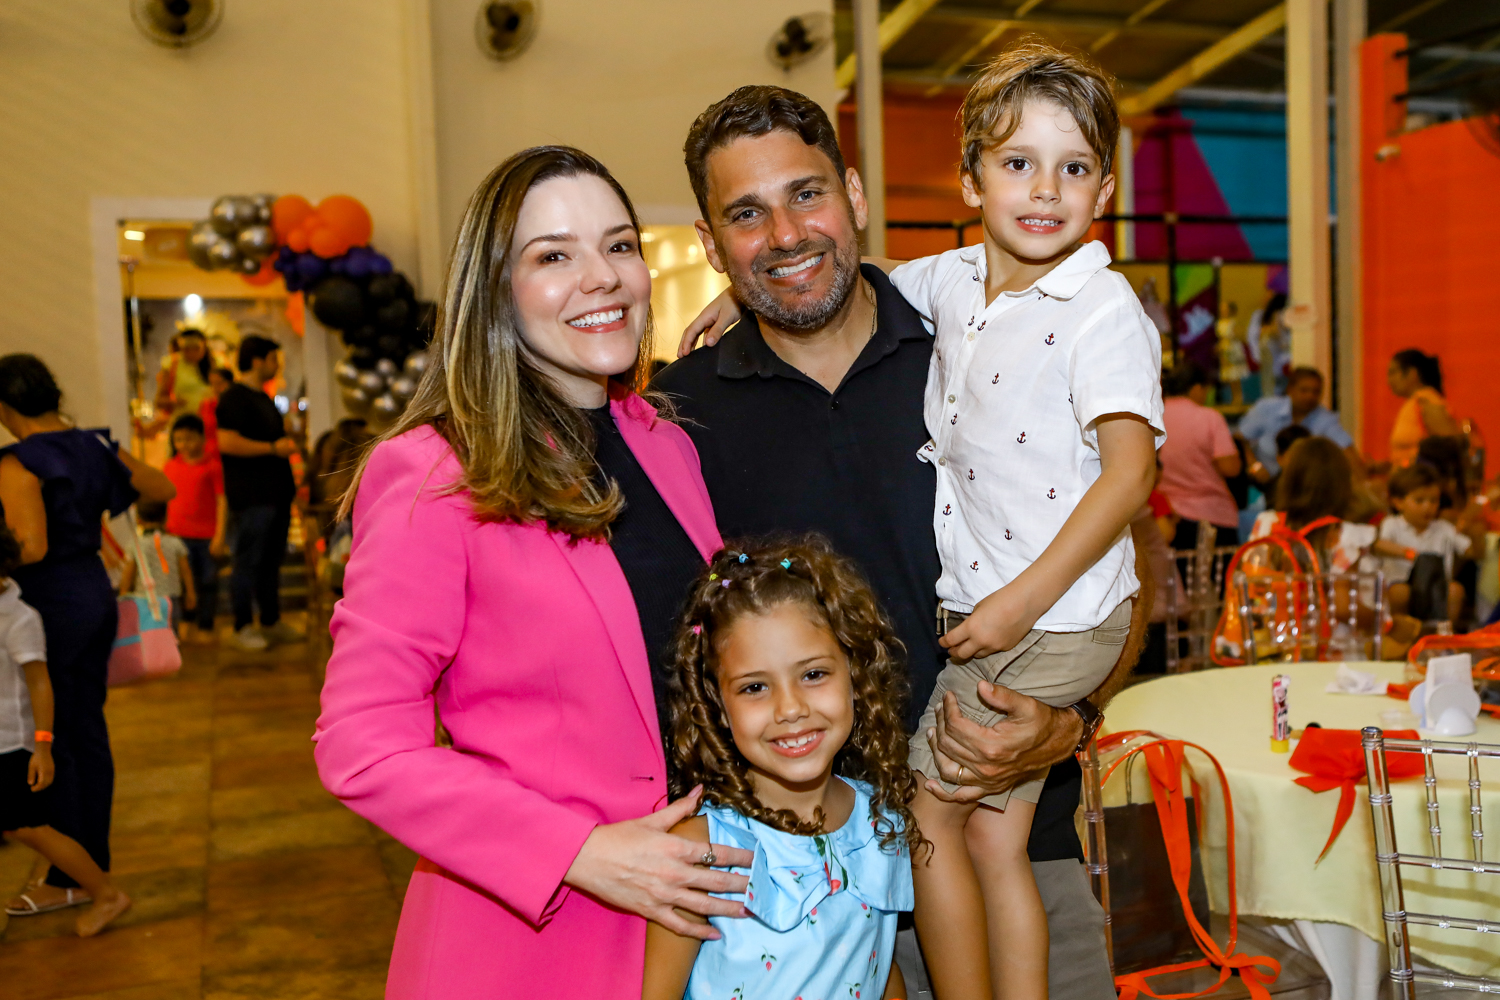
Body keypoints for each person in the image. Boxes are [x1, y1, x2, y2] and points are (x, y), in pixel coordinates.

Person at [661, 84, 1128, 1000]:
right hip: (802, 899)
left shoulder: (986, 338)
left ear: (855, 195)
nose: (786, 234)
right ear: (712, 246)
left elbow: (1116, 566)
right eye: (747, 215)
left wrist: (1071, 719)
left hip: (1009, 842)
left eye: (807, 194)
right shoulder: (680, 416)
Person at [313, 146, 755, 1000]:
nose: (602, 277)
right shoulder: (437, 474)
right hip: (532, 935)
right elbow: (361, 745)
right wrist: (578, 852)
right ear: (496, 291)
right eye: (554, 256)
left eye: (619, 245)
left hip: (693, 925)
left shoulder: (665, 446)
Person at [874, 43, 1159, 1000]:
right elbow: (864, 280)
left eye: (1073, 168)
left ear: (1104, 190)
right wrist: (736, 297)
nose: (1045, 190)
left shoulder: (1100, 309)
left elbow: (1131, 473)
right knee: (998, 839)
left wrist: (1013, 608)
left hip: (1052, 618)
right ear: (970, 180)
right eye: (1018, 162)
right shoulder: (951, 281)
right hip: (1027, 611)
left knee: (924, 817)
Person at [642, 539, 918, 1000]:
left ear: (854, 673)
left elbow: (877, 965)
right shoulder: (699, 850)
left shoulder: (881, 820)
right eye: (754, 687)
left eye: (813, 674)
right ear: (719, 705)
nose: (790, 709)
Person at [0, 353, 174, 914]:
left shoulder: (19, 461)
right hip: (92, 592)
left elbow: (31, 547)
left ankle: (72, 876)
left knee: (55, 737)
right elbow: (162, 486)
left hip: (49, 605)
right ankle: (86, 863)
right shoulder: (94, 444)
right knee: (85, 732)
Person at [0, 524, 133, 936]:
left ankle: (105, 893)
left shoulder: (18, 618)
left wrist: (42, 745)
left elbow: (40, 683)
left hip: (9, 745)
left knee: (30, 828)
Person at [215, 336, 301, 651]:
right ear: (256, 360)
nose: (277, 366)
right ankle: (242, 625)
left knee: (271, 561)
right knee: (247, 561)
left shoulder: (263, 397)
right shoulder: (234, 398)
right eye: (273, 359)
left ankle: (270, 620)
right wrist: (272, 448)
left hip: (275, 494)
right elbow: (226, 442)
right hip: (252, 496)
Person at [1377, 463, 1476, 624]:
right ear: (1398, 502)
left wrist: (1471, 529)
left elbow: (1470, 550)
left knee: (1455, 590)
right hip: (1402, 582)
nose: (1427, 507)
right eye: (1419, 501)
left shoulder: (1443, 528)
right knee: (1399, 592)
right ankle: (1400, 628)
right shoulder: (1392, 524)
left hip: (1437, 587)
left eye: (1433, 501)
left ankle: (1444, 630)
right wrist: (1411, 554)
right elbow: (1380, 544)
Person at [1158, 362, 1241, 550]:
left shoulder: (1155, 417)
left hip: (1166, 515)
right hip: (1211, 514)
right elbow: (1230, 468)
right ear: (1196, 388)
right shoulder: (1209, 417)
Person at [163, 414, 225, 641]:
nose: (183, 445)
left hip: (206, 535)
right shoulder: (170, 466)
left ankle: (206, 624)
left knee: (208, 581)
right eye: (178, 440)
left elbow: (221, 501)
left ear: (202, 438)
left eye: (189, 439)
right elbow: (165, 498)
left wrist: (220, 534)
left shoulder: (212, 466)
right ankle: (186, 621)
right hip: (177, 534)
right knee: (182, 582)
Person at [1238, 367, 1359, 478]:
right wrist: (1254, 467)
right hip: (1261, 480)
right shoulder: (1266, 408)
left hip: (1303, 484)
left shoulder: (1325, 419)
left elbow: (1347, 451)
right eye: (1304, 390)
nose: (1310, 396)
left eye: (1316, 392)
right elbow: (1240, 440)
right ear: (1290, 389)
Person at [117, 499, 196, 635]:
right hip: (171, 599)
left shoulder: (136, 545)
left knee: (147, 635)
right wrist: (190, 593)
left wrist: (123, 595)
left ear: (138, 520)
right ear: (166, 517)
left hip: (144, 599)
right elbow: (185, 571)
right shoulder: (176, 542)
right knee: (171, 634)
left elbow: (128, 575)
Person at [1388, 349, 1459, 468]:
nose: (1389, 380)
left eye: (1393, 372)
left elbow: (1450, 449)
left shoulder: (1427, 401)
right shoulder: (1413, 403)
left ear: (1412, 373)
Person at [200, 366, 234, 460]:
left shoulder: (235, 405)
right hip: (208, 455)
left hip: (230, 453)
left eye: (219, 383)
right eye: (212, 383)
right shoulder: (206, 405)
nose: (215, 387)